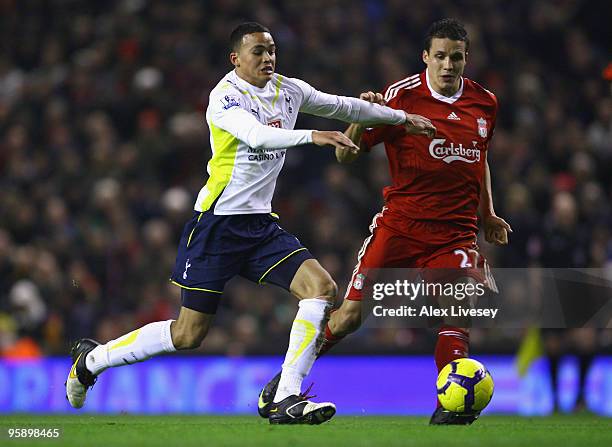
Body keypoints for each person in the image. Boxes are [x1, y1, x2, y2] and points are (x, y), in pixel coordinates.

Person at [65, 22, 436, 425]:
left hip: (260, 226)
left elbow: (346, 107)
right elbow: (257, 137)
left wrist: (400, 118)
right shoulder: (224, 97)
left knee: (322, 288)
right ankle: (93, 359)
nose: (268, 58)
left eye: (272, 50)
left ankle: (286, 395)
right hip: (217, 225)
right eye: (258, 52)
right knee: (188, 334)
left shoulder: (289, 89)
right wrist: (314, 137)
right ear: (236, 59)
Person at [258, 18, 511, 425]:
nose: (448, 65)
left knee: (458, 310)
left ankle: (452, 407)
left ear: (467, 59)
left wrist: (488, 214)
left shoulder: (485, 103)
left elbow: (480, 160)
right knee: (348, 318)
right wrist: (362, 116)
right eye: (441, 56)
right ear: (425, 57)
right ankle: (289, 377)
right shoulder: (400, 97)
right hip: (400, 227)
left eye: (457, 57)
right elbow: (346, 155)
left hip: (456, 232)